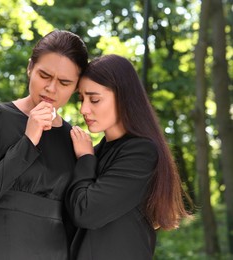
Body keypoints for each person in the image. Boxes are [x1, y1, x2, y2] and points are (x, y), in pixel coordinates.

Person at [0, 30, 88, 260]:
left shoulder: (74, 140)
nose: (51, 88)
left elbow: (78, 219)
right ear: (30, 68)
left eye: (64, 82)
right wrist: (28, 142)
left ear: (77, 87)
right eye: (44, 75)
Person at [66, 54, 192, 260]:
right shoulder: (95, 152)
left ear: (123, 97)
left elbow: (86, 212)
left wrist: (85, 159)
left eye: (94, 99)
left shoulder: (141, 152)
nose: (83, 109)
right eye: (81, 99)